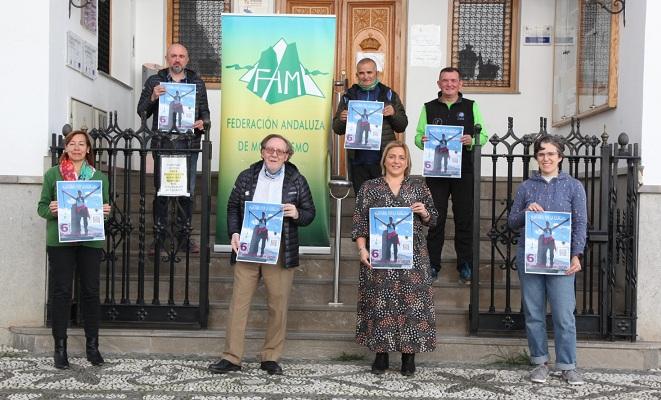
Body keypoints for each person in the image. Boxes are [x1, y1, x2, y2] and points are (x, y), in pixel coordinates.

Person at [208, 134, 316, 376]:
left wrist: (297, 213)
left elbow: (310, 214)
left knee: (278, 304)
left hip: (279, 249)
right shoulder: (247, 176)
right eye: (270, 149)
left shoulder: (297, 180)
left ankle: (270, 357)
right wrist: (234, 233)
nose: (274, 154)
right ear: (262, 151)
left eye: (280, 151)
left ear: (287, 155)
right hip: (248, 247)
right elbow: (233, 207)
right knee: (239, 303)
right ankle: (232, 357)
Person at [352, 141, 438, 376]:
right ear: (384, 160)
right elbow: (359, 222)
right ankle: (381, 355)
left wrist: (424, 212)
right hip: (380, 256)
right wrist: (362, 249)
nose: (396, 161)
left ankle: (408, 358)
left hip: (413, 257)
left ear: (407, 161)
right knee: (381, 304)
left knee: (412, 306)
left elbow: (434, 219)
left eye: (401, 157)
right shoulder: (370, 187)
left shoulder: (418, 187)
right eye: (392, 156)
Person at [508, 135, 588, 386]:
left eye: (551, 153)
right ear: (536, 157)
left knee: (564, 314)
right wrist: (525, 212)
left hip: (562, 259)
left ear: (560, 157)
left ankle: (567, 365)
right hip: (531, 258)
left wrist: (576, 254)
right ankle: (539, 363)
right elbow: (511, 222)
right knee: (534, 313)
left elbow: (580, 224)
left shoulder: (574, 186)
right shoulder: (525, 188)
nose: (546, 158)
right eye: (542, 154)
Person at [37, 130, 111, 370]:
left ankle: (92, 347)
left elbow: (104, 209)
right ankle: (60, 348)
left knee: (90, 291)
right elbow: (41, 208)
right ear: (66, 148)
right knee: (61, 292)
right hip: (61, 241)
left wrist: (106, 213)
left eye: (82, 144)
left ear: (88, 149)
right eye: (72, 144)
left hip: (90, 241)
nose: (77, 147)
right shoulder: (53, 175)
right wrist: (52, 210)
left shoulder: (99, 177)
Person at [414, 66, 489, 284]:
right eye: (445, 80)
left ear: (460, 84)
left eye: (453, 80)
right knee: (434, 219)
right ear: (439, 84)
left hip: (464, 171)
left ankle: (465, 264)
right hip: (436, 172)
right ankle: (432, 265)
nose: (449, 84)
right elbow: (418, 137)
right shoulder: (428, 107)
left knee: (464, 218)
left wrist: (471, 140)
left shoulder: (471, 106)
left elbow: (482, 135)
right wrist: (423, 141)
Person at [137, 43, 210, 254]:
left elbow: (205, 113)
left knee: (187, 193)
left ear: (187, 60)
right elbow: (141, 112)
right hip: (163, 144)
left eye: (181, 56)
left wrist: (202, 122)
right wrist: (152, 98)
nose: (177, 59)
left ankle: (184, 237)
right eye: (173, 56)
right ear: (167, 59)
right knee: (162, 192)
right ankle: (158, 238)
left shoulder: (196, 82)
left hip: (188, 146)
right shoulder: (154, 81)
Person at [332, 58, 408, 193]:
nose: (366, 76)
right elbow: (337, 129)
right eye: (361, 73)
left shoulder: (388, 94)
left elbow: (401, 126)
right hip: (358, 160)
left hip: (383, 160)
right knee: (361, 201)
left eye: (369, 72)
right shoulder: (348, 96)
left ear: (376, 73)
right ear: (356, 75)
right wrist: (342, 119)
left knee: (384, 199)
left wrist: (394, 113)